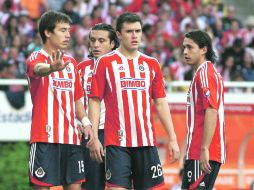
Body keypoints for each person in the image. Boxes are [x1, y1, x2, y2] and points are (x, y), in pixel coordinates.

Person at [88, 12, 180, 190]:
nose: (135, 35)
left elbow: (160, 103)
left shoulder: (151, 64)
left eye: (138, 31)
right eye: (129, 31)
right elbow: (95, 101)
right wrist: (93, 137)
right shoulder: (105, 63)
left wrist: (173, 138)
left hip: (146, 142)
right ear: (119, 34)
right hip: (117, 143)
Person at [26, 10, 93, 189]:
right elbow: (38, 69)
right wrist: (51, 68)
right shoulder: (36, 57)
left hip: (71, 138)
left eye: (68, 30)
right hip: (44, 138)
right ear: (48, 32)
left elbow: (77, 100)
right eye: (62, 30)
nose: (67, 34)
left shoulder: (71, 63)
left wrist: (86, 123)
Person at [181, 30, 226, 190]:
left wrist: (204, 148)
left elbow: (212, 111)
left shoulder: (205, 74)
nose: (185, 52)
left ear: (203, 49)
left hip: (204, 151)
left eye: (190, 47)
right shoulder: (203, 73)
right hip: (197, 150)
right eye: (184, 48)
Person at [78, 23, 119, 190]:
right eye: (93, 40)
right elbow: (75, 101)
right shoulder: (80, 69)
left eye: (101, 41)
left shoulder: (122, 67)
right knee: (92, 185)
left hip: (118, 134)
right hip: (90, 133)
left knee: (120, 184)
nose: (95, 45)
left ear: (112, 44)